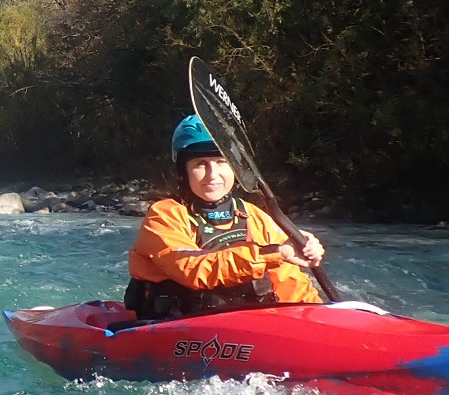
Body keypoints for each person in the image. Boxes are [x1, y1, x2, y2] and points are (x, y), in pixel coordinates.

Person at [125, 115, 325, 320]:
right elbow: (192, 268)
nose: (213, 175)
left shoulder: (253, 216)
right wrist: (273, 253)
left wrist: (318, 317)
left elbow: (289, 283)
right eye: (200, 164)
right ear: (184, 171)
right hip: (178, 328)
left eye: (222, 162)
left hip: (246, 328)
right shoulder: (164, 215)